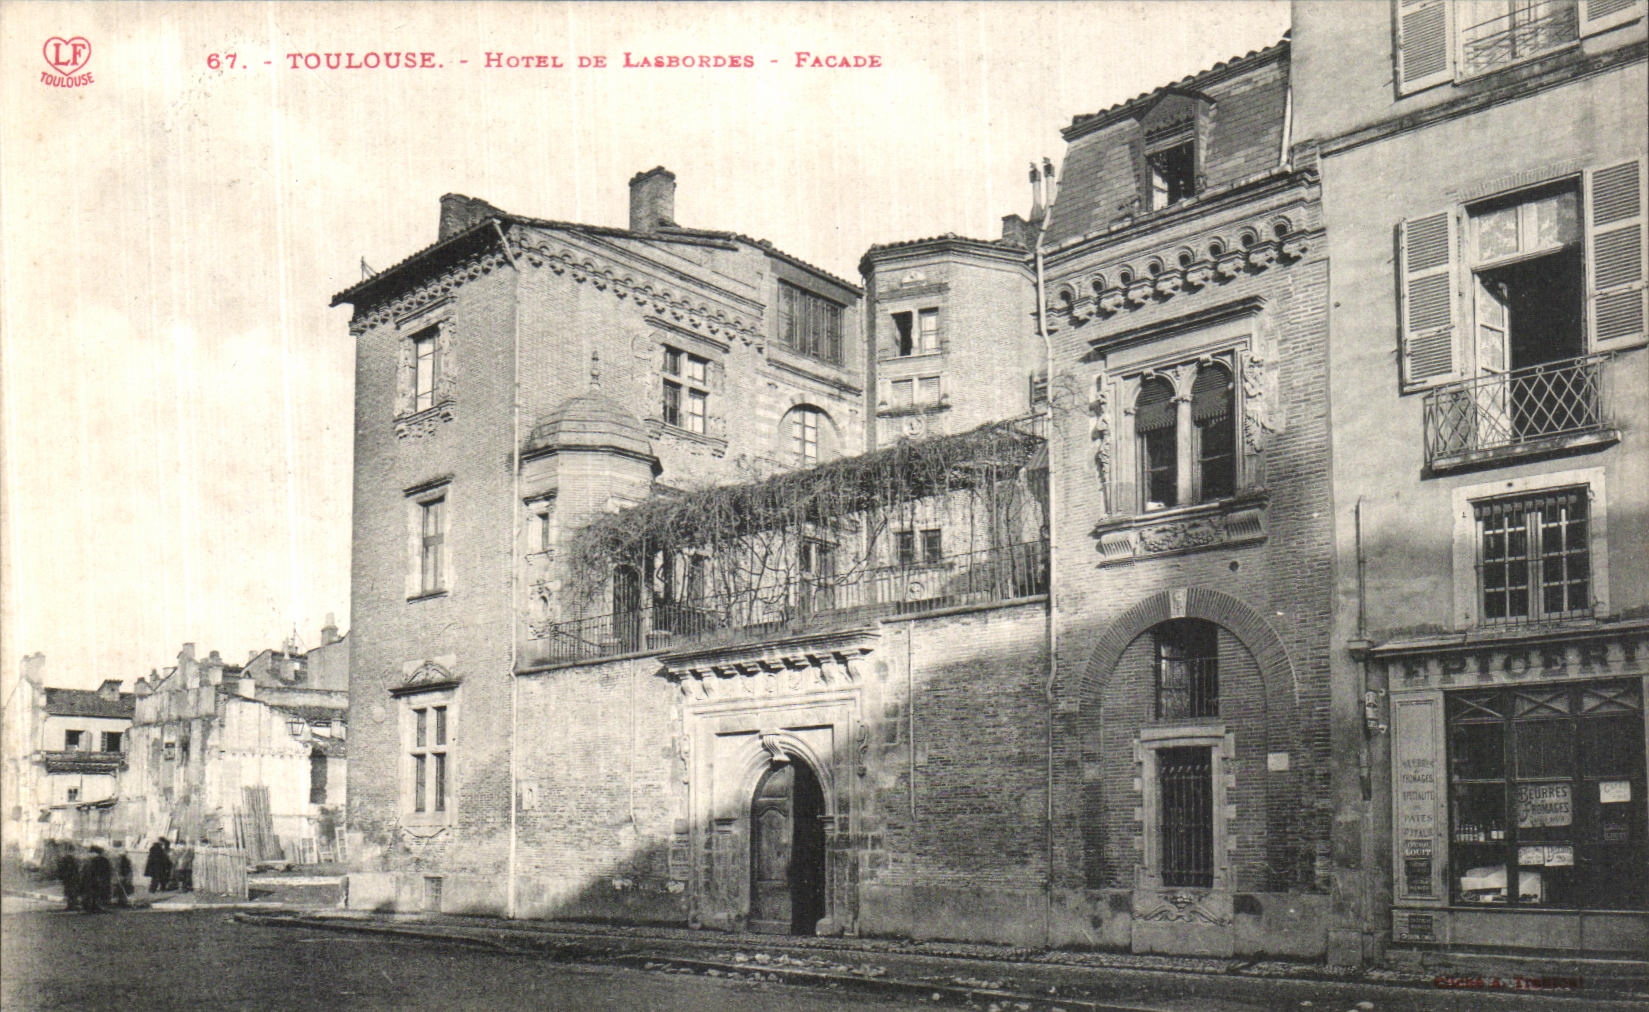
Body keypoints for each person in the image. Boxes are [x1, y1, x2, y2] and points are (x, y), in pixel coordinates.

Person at [81, 846, 112, 913]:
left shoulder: (92, 860)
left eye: (91, 852)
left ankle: (93, 907)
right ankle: (95, 906)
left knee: (94, 894)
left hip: (93, 880)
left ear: (94, 852)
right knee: (96, 894)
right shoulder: (102, 860)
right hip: (97, 880)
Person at [53, 842, 81, 912]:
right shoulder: (70, 859)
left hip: (68, 878)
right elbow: (72, 869)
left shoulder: (66, 858)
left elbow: (61, 868)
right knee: (72, 891)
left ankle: (71, 905)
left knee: (69, 891)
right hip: (72, 878)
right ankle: (72, 905)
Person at [112, 841, 134, 907]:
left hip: (120, 875)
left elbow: (117, 866)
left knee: (119, 888)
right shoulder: (124, 856)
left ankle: (120, 900)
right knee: (123, 888)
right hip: (123, 875)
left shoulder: (115, 854)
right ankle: (123, 900)